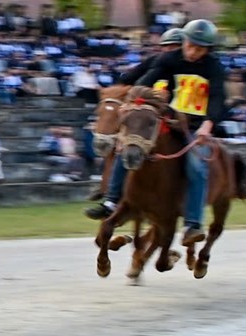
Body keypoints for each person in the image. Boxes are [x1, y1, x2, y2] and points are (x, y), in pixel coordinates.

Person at [86, 18, 228, 245]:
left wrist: (208, 124)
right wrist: (133, 99)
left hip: (194, 127)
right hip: (167, 119)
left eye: (199, 49)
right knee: (129, 146)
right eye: (190, 45)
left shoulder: (214, 67)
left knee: (197, 167)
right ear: (185, 41)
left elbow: (218, 96)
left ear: (208, 50)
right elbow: (147, 78)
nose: (192, 52)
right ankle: (112, 200)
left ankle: (192, 225)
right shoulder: (169, 58)